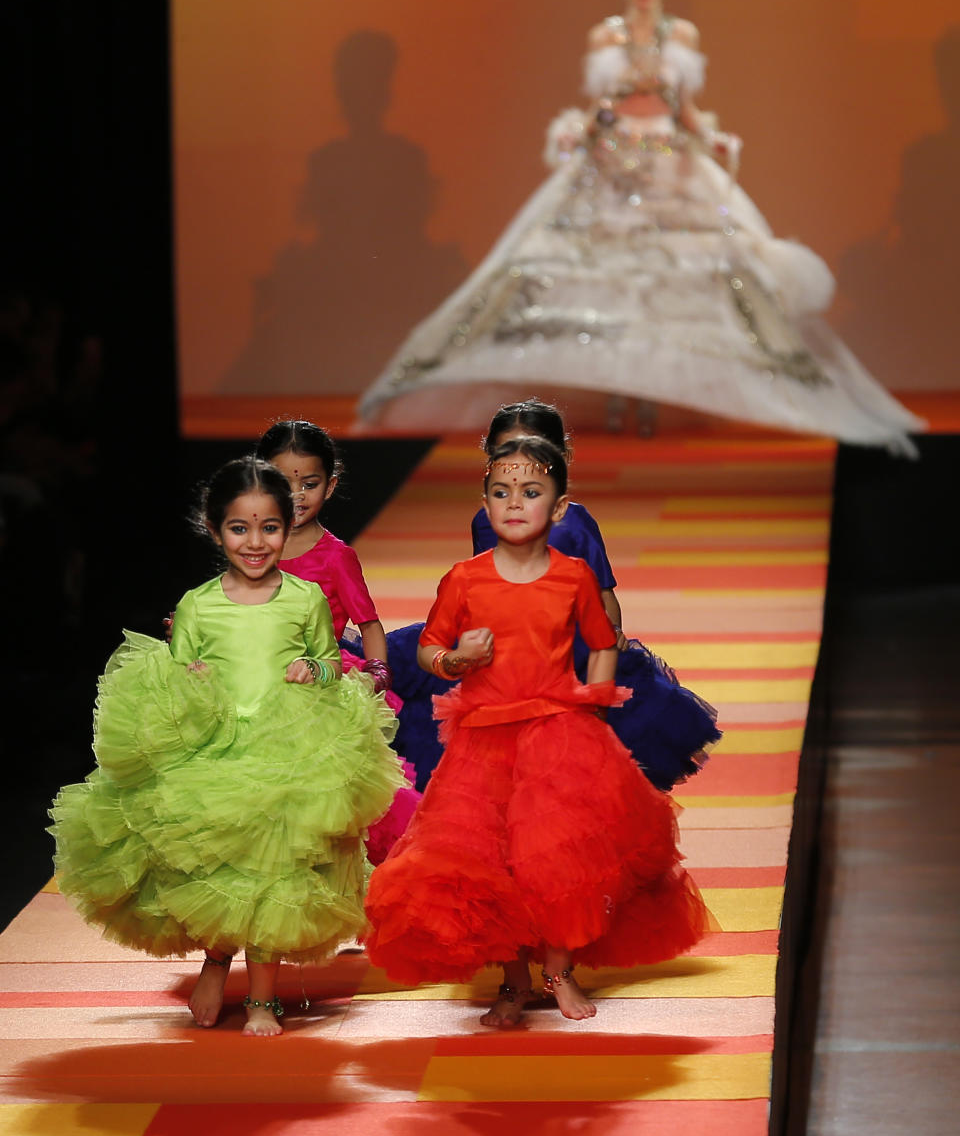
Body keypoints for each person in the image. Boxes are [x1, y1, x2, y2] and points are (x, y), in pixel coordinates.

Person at [359, 0, 923, 455]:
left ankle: (652, 400)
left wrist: (713, 138)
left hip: (672, 166)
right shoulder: (606, 35)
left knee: (681, 282)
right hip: (611, 166)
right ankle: (613, 397)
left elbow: (686, 111)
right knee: (596, 282)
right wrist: (586, 128)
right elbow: (598, 108)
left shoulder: (682, 35)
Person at [49, 457, 406, 1036]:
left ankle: (264, 999)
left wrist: (312, 670)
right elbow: (173, 682)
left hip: (285, 748)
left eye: (269, 527)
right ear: (214, 530)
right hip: (215, 750)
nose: (256, 541)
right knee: (219, 870)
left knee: (275, 874)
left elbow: (328, 659)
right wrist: (186, 679)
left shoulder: (305, 598)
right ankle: (216, 963)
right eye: (240, 528)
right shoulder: (197, 605)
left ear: (288, 528)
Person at [364, 435, 710, 1028]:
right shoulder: (464, 579)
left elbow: (603, 642)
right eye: (501, 492)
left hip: (557, 733)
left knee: (558, 862)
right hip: (483, 740)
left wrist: (595, 703)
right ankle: (511, 982)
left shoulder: (572, 576)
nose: (514, 503)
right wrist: (455, 660)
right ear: (484, 504)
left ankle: (560, 970)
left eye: (531, 492)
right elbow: (427, 650)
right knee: (488, 862)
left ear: (557, 507)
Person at [389, 399, 720, 793]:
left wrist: (612, 635)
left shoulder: (575, 521)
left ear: (562, 458)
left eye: (536, 453)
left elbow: (601, 590)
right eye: (503, 454)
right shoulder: (485, 520)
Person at [255, 419, 421, 862]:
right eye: (281, 482)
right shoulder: (255, 546)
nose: (296, 495)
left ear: (330, 485)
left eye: (308, 483)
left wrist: (376, 673)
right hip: (258, 679)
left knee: (326, 787)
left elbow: (368, 624)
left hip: (320, 688)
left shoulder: (336, 557)